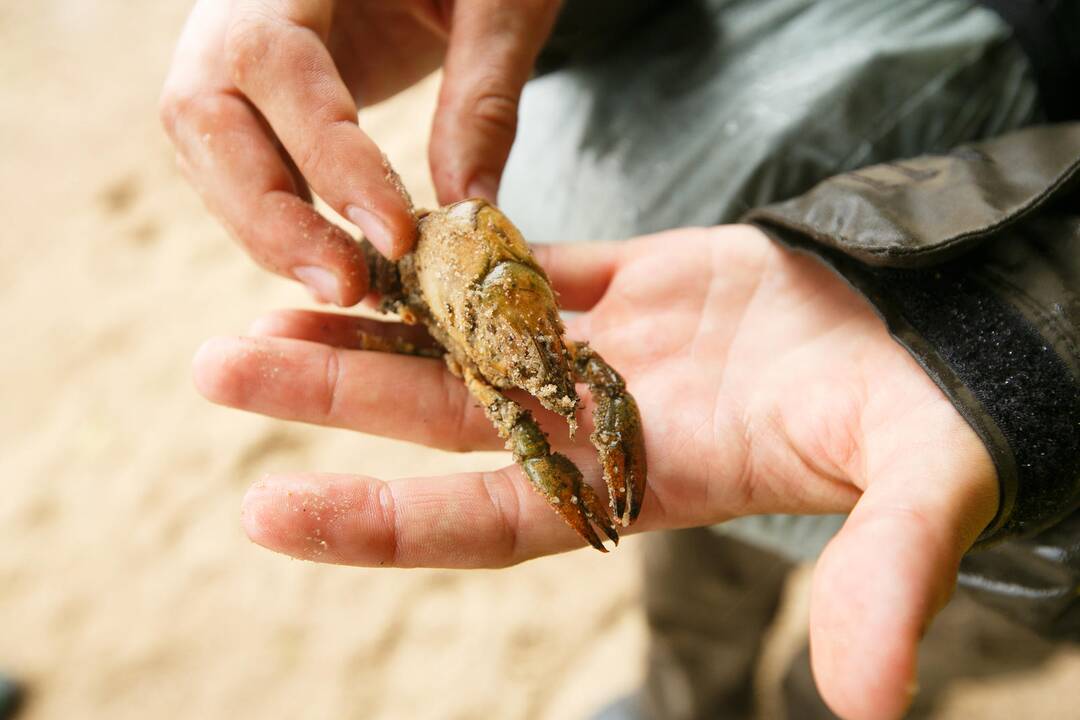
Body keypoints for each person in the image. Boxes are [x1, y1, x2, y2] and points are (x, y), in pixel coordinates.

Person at [160, 1, 1080, 718]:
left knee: (932, 620)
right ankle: (684, 704)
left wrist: (1024, 350)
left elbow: (577, 384)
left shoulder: (568, 364)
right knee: (680, 533)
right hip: (713, 315)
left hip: (972, 378)